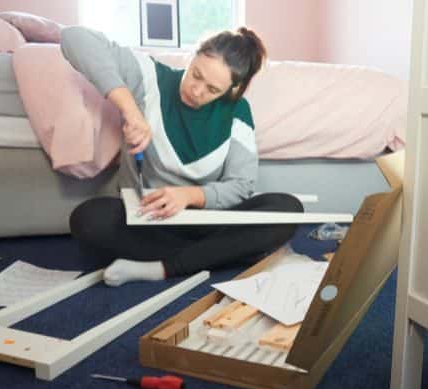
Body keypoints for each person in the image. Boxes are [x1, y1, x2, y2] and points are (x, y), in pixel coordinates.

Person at [60, 26, 302, 286]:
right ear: (193, 57)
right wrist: (129, 110)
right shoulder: (151, 77)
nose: (197, 91)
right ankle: (217, 255)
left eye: (213, 89)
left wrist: (189, 195)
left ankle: (163, 267)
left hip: (206, 221)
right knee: (88, 220)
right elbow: (73, 38)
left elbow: (241, 186)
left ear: (233, 89)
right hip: (149, 220)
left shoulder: (238, 112)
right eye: (196, 75)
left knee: (288, 209)